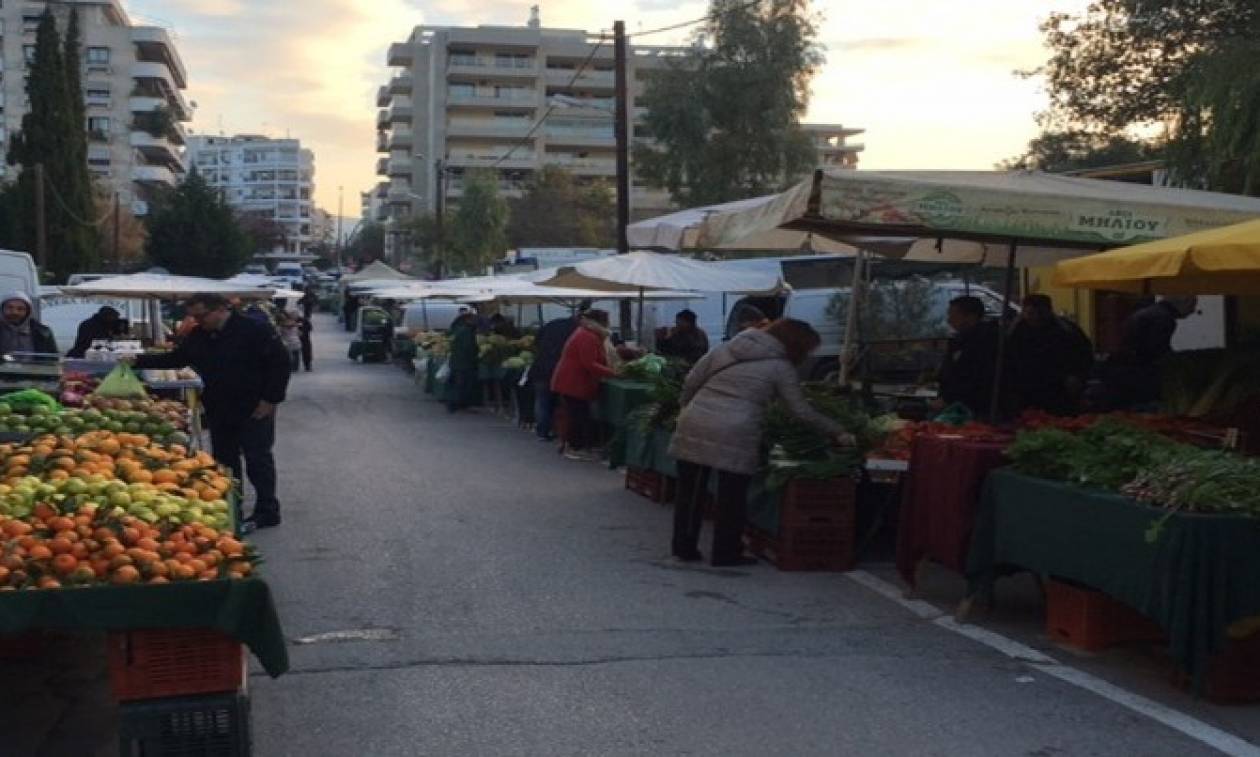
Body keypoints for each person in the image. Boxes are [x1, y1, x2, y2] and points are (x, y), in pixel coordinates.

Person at [669, 319, 853, 567]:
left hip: (696, 420)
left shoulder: (724, 349)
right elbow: (799, 410)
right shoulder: (781, 367)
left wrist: (686, 407)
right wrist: (837, 430)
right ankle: (725, 553)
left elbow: (692, 381)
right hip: (737, 430)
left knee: (690, 492)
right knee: (731, 497)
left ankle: (684, 547)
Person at [133, 293, 291, 530]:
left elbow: (280, 363)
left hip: (254, 407)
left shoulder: (254, 329)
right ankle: (231, 507)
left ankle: (267, 510)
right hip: (219, 407)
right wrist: (136, 360)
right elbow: (178, 358)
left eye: (201, 315)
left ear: (220, 309)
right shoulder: (200, 335)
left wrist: (270, 399)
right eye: (194, 316)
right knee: (225, 461)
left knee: (257, 459)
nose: (198, 321)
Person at [1099, 296, 1198, 409]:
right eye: (1192, 306)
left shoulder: (1149, 313)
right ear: (1183, 303)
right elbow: (1158, 350)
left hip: (1121, 371)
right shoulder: (1164, 318)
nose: (1192, 311)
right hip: (1138, 374)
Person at [1005, 294, 1094, 416]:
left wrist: (1077, 376)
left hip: (1059, 388)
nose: (1035, 318)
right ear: (1024, 312)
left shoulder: (1067, 330)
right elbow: (1006, 359)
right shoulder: (1013, 332)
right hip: (1025, 389)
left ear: (1049, 311)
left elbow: (1084, 355)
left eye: (1040, 313)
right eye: (1031, 313)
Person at [551, 309, 616, 461]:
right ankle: (576, 447)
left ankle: (571, 445)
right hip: (573, 382)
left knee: (576, 414)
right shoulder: (588, 336)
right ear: (601, 321)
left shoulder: (586, 333)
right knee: (579, 416)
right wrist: (613, 373)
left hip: (572, 381)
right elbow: (589, 363)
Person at [937, 295, 1000, 419]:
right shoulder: (961, 339)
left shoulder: (985, 340)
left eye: (954, 315)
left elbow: (974, 375)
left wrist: (949, 398)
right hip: (959, 403)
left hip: (977, 408)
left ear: (971, 316)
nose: (949, 320)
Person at [531, 312, 581, 441]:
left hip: (541, 366)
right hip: (559, 368)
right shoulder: (577, 330)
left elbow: (535, 343)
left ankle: (542, 431)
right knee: (558, 401)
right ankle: (557, 430)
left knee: (542, 400)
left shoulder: (552, 324)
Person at [0, 292, 57, 356]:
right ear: (2, 309)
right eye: (10, 307)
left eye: (20, 309)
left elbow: (53, 360)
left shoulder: (43, 333)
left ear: (28, 312)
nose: (14, 312)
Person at [445, 312, 479, 413]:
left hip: (457, 361)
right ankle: (455, 404)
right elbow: (468, 347)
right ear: (467, 320)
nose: (475, 321)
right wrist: (475, 355)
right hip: (463, 362)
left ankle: (456, 404)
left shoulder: (458, 329)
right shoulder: (466, 331)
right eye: (473, 319)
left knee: (457, 383)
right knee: (461, 384)